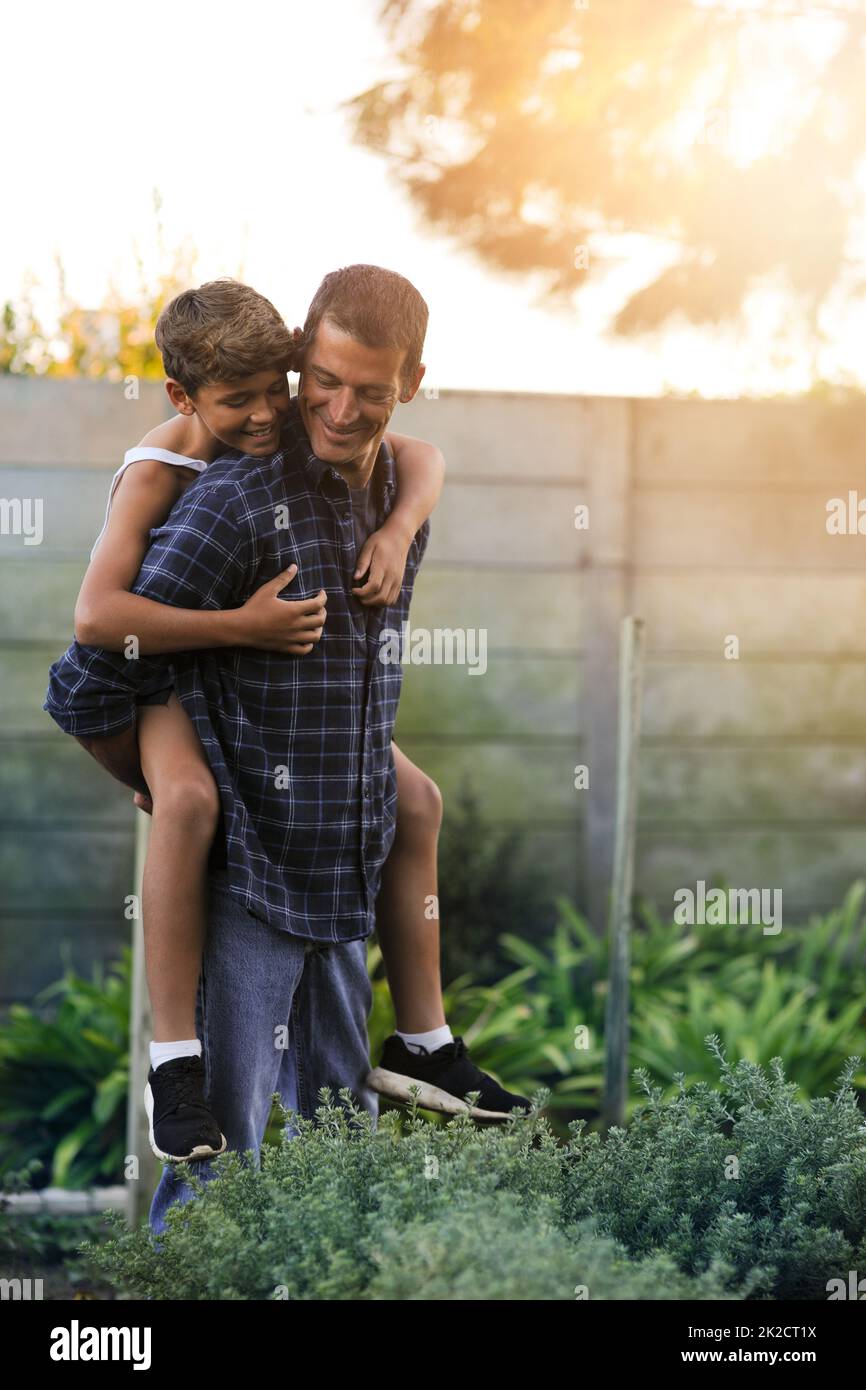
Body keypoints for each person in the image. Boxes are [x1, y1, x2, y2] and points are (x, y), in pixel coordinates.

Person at [44, 266, 530, 1234]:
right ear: (305, 358)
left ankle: (423, 1042)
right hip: (249, 869)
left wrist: (397, 525)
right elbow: (93, 657)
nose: (333, 411)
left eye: (373, 392)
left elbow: (420, 458)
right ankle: (171, 1099)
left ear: (409, 383)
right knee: (216, 1163)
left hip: (337, 871)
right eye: (324, 381)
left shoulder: (394, 480)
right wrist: (148, 774)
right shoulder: (219, 494)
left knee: (333, 1146)